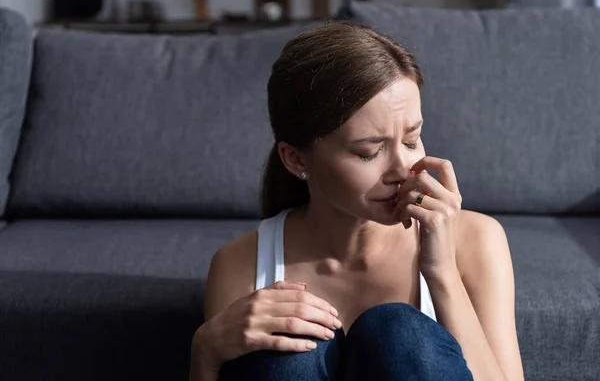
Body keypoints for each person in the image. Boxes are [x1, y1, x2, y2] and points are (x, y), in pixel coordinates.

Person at [189, 21, 524, 381]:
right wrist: (205, 349)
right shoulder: (240, 264)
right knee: (292, 343)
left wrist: (441, 273)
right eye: (369, 151)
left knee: (400, 333)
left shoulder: (476, 240)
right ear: (297, 160)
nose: (403, 168)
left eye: (412, 140)